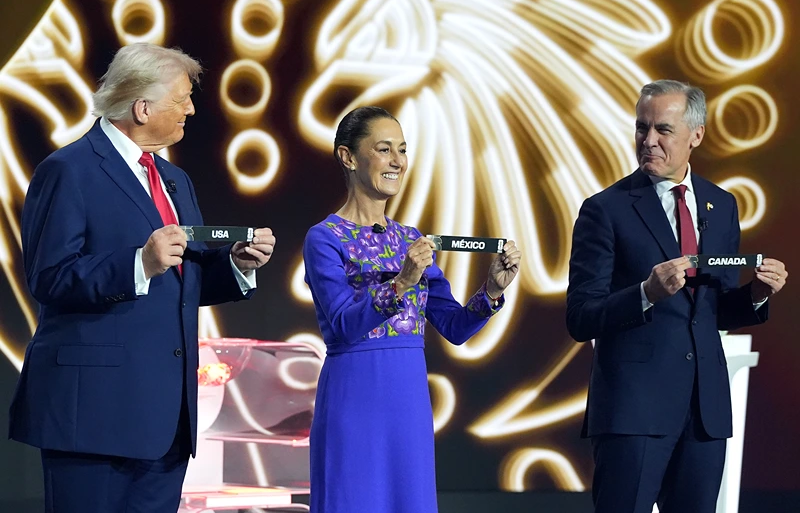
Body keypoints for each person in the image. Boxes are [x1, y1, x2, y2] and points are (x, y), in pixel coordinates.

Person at [8, 43, 277, 513]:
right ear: (142, 106)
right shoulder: (67, 171)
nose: (191, 109)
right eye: (182, 99)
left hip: (165, 420)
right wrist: (140, 264)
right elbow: (49, 277)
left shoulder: (175, 179)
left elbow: (182, 281)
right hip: (94, 418)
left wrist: (236, 264)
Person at [566, 79, 788, 513]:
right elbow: (581, 317)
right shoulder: (604, 209)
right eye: (641, 128)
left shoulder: (720, 205)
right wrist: (646, 293)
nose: (649, 141)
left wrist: (757, 295)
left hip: (703, 414)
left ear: (696, 135)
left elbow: (714, 309)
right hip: (633, 414)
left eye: (663, 130)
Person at [303, 106, 521, 512]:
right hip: (356, 398)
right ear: (348, 157)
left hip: (409, 404)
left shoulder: (411, 238)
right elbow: (345, 323)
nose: (397, 161)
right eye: (383, 149)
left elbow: (454, 326)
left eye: (401, 150)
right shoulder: (324, 238)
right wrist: (402, 281)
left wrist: (491, 290)